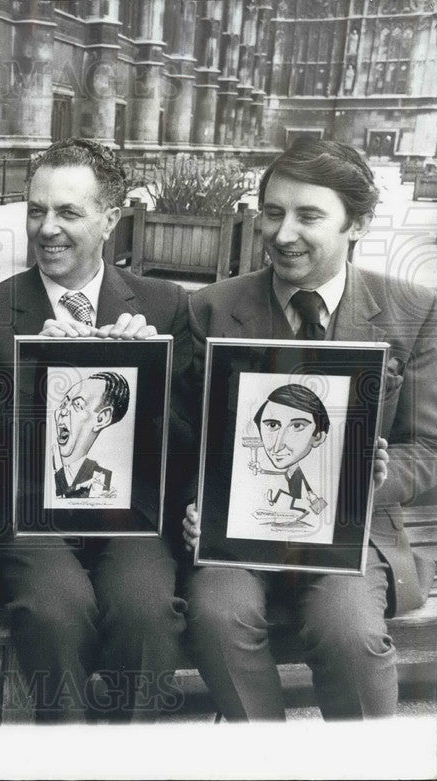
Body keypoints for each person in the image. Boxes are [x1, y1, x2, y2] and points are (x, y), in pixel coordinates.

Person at [182, 138, 436, 720]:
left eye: (309, 215)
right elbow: (183, 435)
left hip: (352, 533)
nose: (283, 233)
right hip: (238, 537)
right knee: (218, 616)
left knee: (348, 633)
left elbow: (428, 446)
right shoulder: (213, 309)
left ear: (358, 223)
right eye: (273, 212)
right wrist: (199, 504)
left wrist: (376, 474)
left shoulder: (413, 311)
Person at [0, 137, 193, 722]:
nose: (47, 228)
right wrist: (36, 382)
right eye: (36, 210)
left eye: (68, 212)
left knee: (146, 609)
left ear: (110, 219)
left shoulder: (164, 306)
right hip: (31, 518)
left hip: (132, 519)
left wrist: (145, 378)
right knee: (54, 609)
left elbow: (192, 440)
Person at [250, 384, 329, 525]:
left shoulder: (318, 475)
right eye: (272, 425)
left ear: (318, 437)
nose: (278, 445)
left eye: (297, 426)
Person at [52, 372, 130, 499]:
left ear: (101, 419)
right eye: (64, 403)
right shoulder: (47, 462)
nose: (63, 411)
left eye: (77, 404)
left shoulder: (102, 480)